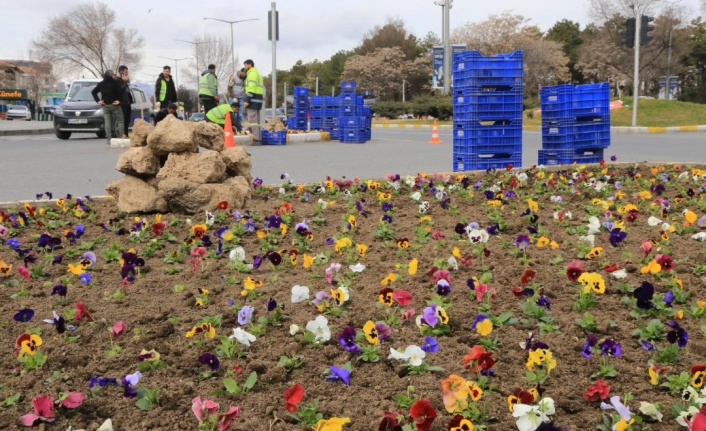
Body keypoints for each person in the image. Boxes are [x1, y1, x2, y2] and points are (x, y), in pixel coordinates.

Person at [91, 70, 124, 145]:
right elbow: (121, 91)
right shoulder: (115, 83)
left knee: (107, 122)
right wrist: (119, 101)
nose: (115, 76)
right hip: (115, 104)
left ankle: (109, 139)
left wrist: (98, 101)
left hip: (105, 105)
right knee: (120, 120)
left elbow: (93, 92)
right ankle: (121, 136)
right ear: (111, 75)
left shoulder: (101, 84)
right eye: (114, 75)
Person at [243, 59, 264, 143]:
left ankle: (256, 139)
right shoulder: (258, 73)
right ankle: (259, 138)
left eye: (245, 65)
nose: (245, 67)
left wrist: (247, 100)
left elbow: (251, 88)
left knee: (253, 121)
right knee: (257, 120)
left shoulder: (252, 74)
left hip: (252, 99)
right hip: (258, 99)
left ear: (249, 65)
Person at [117, 65, 134, 138]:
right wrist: (125, 81)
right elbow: (120, 90)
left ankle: (126, 133)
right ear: (121, 73)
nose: (127, 74)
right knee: (123, 119)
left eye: (127, 72)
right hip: (122, 103)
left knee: (127, 119)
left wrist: (131, 100)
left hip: (127, 103)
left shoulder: (125, 82)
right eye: (125, 72)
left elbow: (127, 91)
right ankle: (122, 133)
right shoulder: (117, 81)